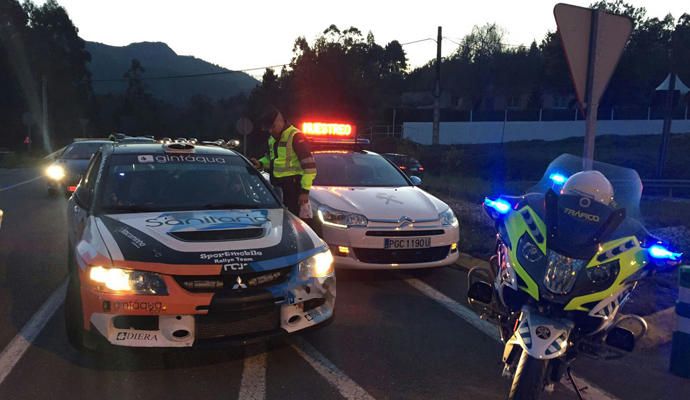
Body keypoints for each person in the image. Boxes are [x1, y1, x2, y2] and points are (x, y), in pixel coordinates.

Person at [251, 106, 316, 220]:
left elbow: (310, 167)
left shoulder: (296, 136)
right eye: (268, 129)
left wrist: (304, 191)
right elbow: (272, 159)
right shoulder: (272, 138)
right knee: (280, 221)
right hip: (278, 186)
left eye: (273, 127)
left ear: (280, 121)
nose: (270, 131)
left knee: (293, 221)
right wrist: (260, 163)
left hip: (293, 187)